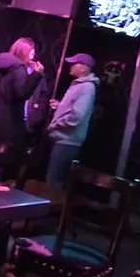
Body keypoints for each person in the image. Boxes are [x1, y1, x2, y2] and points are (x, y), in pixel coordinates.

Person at [0, 38, 45, 180]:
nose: (33, 54)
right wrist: (37, 74)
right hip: (6, 120)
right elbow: (22, 94)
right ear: (24, 51)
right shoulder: (19, 69)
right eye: (31, 51)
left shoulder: (0, 64)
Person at [45, 53, 100, 188]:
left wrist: (56, 124)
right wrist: (60, 107)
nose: (70, 66)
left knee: (53, 184)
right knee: (53, 180)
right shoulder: (79, 85)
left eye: (74, 64)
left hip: (67, 141)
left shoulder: (86, 87)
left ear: (84, 67)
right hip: (64, 140)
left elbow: (77, 116)